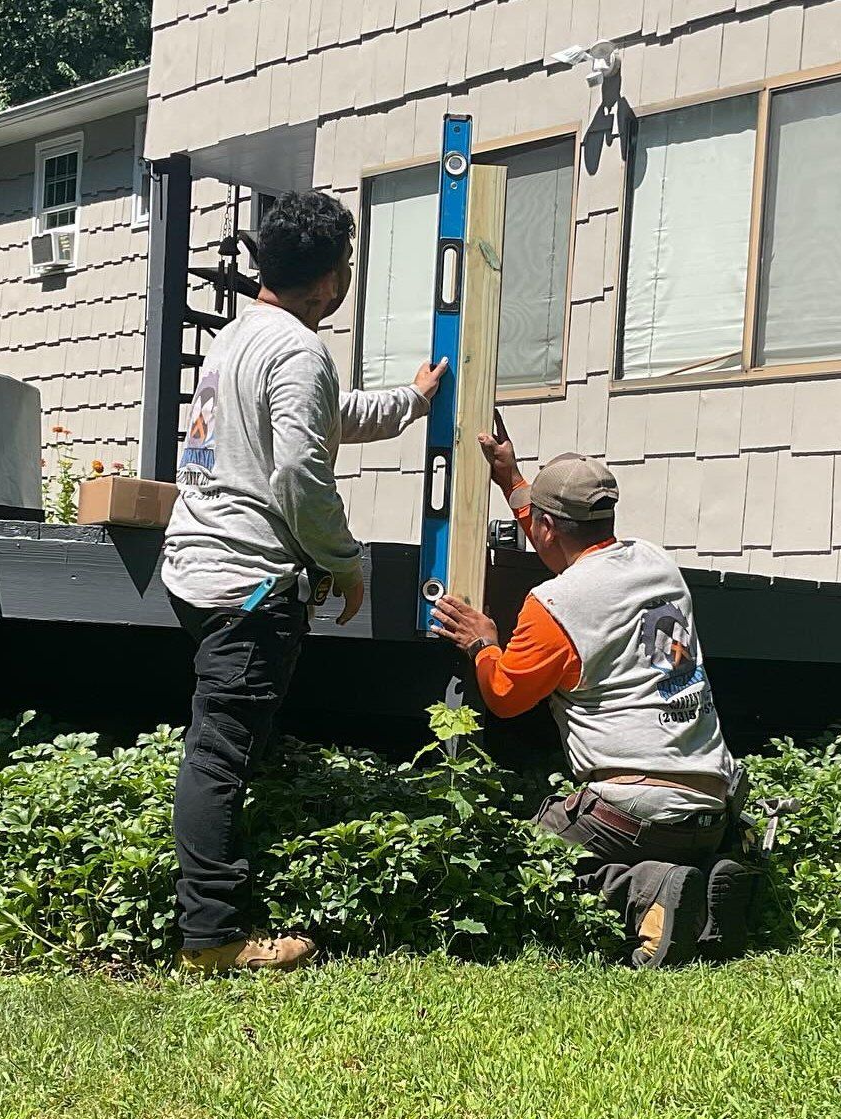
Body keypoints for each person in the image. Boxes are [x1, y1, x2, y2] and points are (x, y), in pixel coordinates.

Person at [163, 189, 446, 977]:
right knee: (218, 755)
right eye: (347, 267)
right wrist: (344, 559)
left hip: (198, 568)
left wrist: (411, 403)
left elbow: (314, 417)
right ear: (329, 280)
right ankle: (213, 939)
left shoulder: (240, 337)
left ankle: (218, 913)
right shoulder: (295, 349)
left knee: (228, 745)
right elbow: (299, 469)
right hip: (247, 584)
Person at [430, 437, 750, 967]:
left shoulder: (557, 603)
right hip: (711, 805)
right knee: (672, 840)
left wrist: (484, 643)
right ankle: (714, 888)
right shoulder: (656, 564)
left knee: (526, 860)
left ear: (548, 528)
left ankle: (647, 892)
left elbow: (506, 697)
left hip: (632, 810)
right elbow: (556, 533)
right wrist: (511, 480)